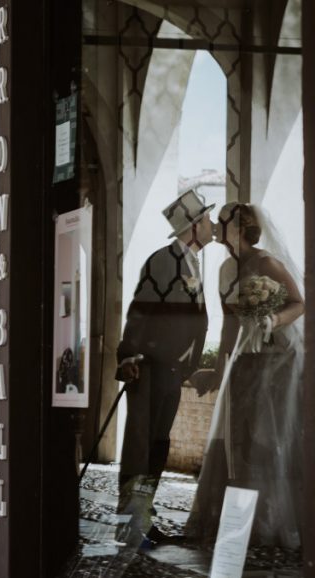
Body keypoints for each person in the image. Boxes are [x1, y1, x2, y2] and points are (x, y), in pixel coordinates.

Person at [185, 202, 304, 548]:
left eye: (222, 222)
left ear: (238, 228)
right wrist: (222, 367)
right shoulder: (224, 270)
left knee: (267, 439)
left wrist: (272, 321)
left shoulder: (267, 263)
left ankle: (271, 519)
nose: (217, 226)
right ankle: (238, 518)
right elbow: (227, 325)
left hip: (274, 360)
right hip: (243, 359)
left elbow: (298, 302)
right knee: (236, 439)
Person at [114, 189, 215, 544]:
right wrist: (128, 356)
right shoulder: (164, 260)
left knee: (157, 445)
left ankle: (142, 517)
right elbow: (140, 311)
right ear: (193, 226)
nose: (211, 225)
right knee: (141, 446)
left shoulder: (189, 261)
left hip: (171, 370)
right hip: (149, 367)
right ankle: (130, 524)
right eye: (206, 219)